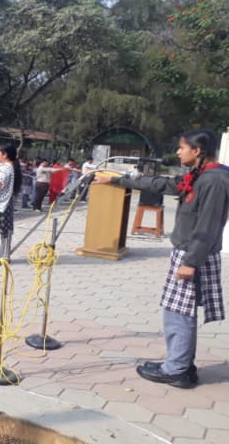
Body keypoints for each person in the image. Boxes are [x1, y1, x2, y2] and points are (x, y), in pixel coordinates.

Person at [94, 129, 228, 389]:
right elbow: (164, 185)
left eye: (181, 147)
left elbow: (208, 225)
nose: (178, 152)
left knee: (178, 313)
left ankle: (176, 370)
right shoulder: (202, 175)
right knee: (178, 312)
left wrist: (190, 262)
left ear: (197, 151)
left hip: (193, 254)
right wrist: (117, 180)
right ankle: (181, 365)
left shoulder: (215, 179)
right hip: (189, 252)